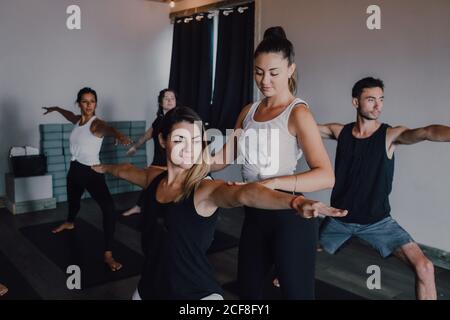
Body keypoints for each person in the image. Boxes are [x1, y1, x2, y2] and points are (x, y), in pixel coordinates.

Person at [92, 106, 347, 300]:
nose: (189, 148)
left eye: (195, 141)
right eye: (180, 140)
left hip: (196, 295)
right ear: (162, 141)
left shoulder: (204, 189)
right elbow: (126, 170)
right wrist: (104, 167)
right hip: (149, 289)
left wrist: (295, 202)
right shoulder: (153, 177)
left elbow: (248, 194)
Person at [210, 26, 335, 299]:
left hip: (290, 216)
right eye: (258, 71)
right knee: (250, 292)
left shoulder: (298, 113)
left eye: (274, 73)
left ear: (291, 69)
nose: (264, 80)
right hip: (254, 213)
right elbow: (225, 156)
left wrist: (275, 182)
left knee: (296, 294)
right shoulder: (249, 111)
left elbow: (325, 175)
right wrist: (190, 167)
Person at [317, 76, 450, 300]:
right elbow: (301, 127)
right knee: (298, 251)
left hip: (378, 223)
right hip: (340, 218)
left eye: (381, 99)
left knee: (425, 267)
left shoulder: (390, 135)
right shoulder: (340, 132)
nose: (378, 105)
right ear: (355, 102)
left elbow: (427, 132)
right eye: (371, 99)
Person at [43, 87, 132, 271]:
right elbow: (69, 115)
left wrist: (119, 135)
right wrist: (56, 108)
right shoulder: (78, 120)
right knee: (74, 202)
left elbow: (108, 129)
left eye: (92, 101)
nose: (89, 105)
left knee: (108, 209)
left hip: (91, 172)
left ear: (96, 104)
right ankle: (70, 222)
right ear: (79, 104)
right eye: (85, 101)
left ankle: (108, 253)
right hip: (75, 170)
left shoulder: (95, 124)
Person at [122, 89, 177, 217]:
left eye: (172, 98)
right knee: (150, 184)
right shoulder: (158, 120)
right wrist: (135, 147)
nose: (169, 100)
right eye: (166, 98)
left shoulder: (178, 120)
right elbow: (147, 136)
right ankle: (139, 207)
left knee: (166, 188)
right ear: (160, 102)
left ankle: (170, 215)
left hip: (173, 162)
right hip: (158, 161)